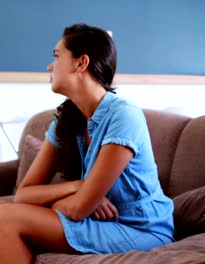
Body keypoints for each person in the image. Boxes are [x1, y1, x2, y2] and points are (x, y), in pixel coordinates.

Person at [0, 23, 174, 263]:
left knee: (3, 219)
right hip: (96, 223)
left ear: (81, 63)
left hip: (142, 230)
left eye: (57, 56)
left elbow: (78, 209)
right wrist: (78, 187)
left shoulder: (124, 115)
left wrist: (77, 198)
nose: (49, 66)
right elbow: (24, 195)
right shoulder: (66, 120)